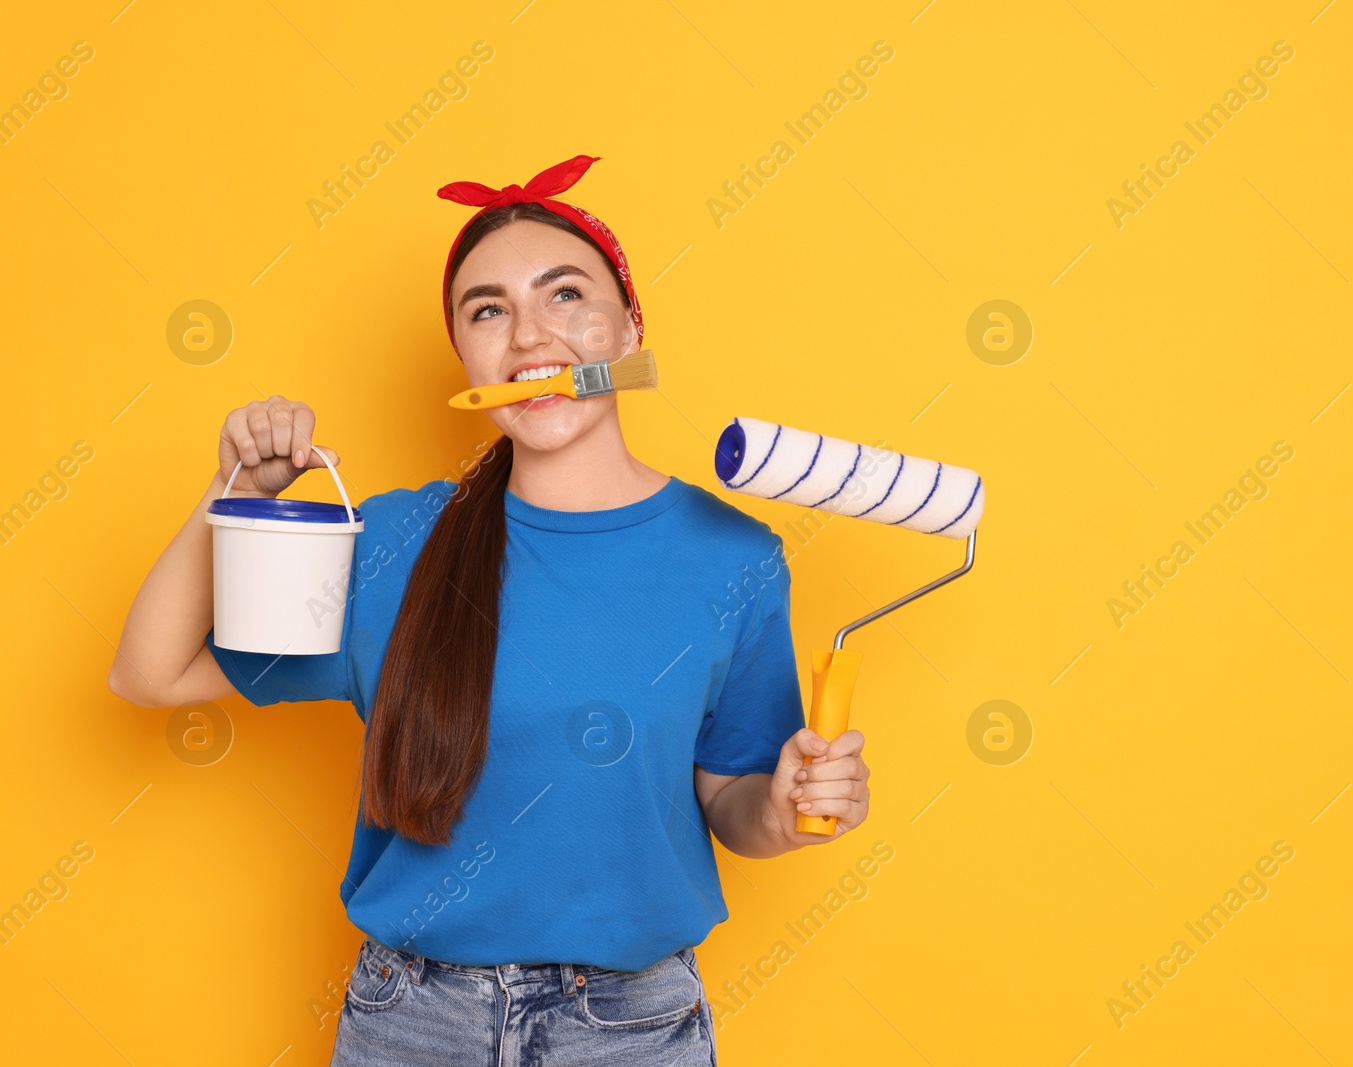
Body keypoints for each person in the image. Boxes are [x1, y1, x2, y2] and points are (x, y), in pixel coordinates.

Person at [108, 154, 872, 1065]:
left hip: (630, 1031)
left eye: (565, 295)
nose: (529, 337)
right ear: (465, 354)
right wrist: (234, 491)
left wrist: (784, 812)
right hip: (410, 1022)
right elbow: (149, 671)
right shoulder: (391, 542)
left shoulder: (734, 557)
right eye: (488, 310)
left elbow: (731, 799)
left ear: (629, 327)